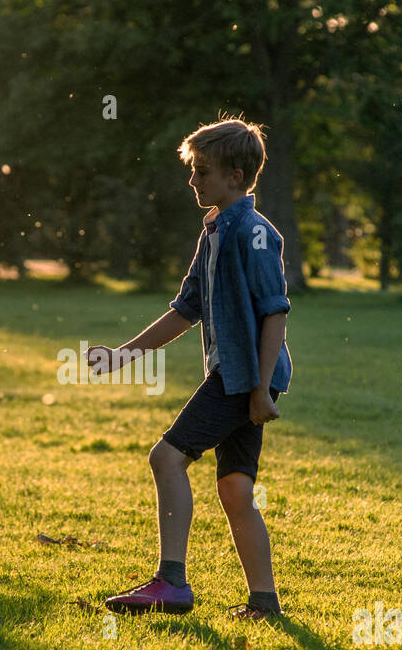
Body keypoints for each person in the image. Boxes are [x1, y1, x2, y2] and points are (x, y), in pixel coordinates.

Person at [86, 117, 292, 620]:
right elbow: (186, 308)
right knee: (235, 487)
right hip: (237, 377)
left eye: (202, 171)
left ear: (236, 176)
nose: (193, 180)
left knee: (166, 458)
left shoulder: (256, 233)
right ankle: (265, 603)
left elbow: (275, 312)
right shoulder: (214, 232)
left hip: (243, 379)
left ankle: (171, 582)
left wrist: (260, 389)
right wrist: (123, 355)